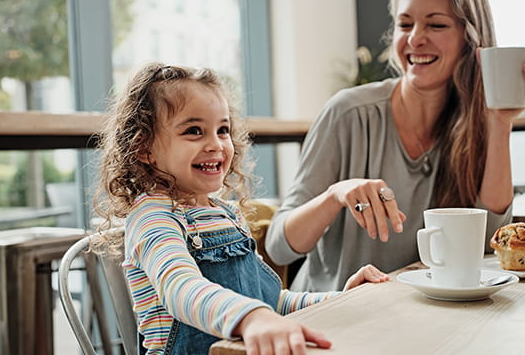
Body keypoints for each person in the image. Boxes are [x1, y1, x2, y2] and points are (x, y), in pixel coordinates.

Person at [94, 62, 390, 355]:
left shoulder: (228, 215)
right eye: (195, 131)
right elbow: (181, 290)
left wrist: (339, 299)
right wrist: (251, 318)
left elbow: (271, 301)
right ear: (144, 147)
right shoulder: (154, 218)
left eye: (223, 130)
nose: (216, 144)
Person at [265, 0, 525, 292]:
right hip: (330, 313)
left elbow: (485, 242)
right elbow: (279, 247)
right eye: (405, 24)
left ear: (470, 40)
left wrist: (500, 122)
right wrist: (335, 195)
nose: (415, 38)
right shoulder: (348, 113)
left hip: (416, 315)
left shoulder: (474, 125)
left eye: (436, 25)